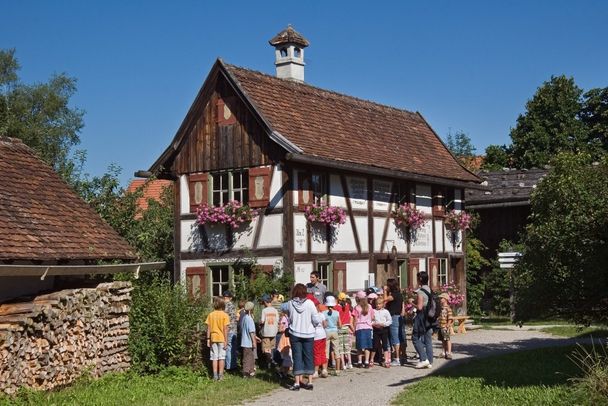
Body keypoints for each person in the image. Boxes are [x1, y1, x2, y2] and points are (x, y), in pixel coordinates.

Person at [281, 283, 320, 391]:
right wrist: (314, 325)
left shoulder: (290, 304)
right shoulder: (310, 303)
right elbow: (316, 319)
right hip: (308, 334)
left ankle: (297, 383)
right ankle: (310, 382)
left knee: (297, 357)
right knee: (308, 356)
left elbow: (281, 307)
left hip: (295, 333)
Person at [205, 297, 230, 380]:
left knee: (214, 357)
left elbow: (208, 328)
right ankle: (221, 375)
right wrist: (226, 340)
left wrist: (208, 339)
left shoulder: (210, 315)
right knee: (221, 357)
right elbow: (225, 329)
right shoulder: (225, 315)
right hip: (221, 338)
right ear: (223, 305)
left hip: (213, 338)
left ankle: (215, 375)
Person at [412, 271, 434, 369]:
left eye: (417, 278)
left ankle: (423, 359)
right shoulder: (429, 289)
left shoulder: (421, 291)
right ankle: (429, 361)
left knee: (415, 337)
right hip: (430, 316)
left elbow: (420, 307)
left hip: (422, 316)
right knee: (428, 339)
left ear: (420, 279)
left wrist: (412, 303)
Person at [383, 278, 404, 366]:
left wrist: (384, 291)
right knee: (395, 336)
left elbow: (385, 299)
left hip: (394, 317)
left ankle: (397, 358)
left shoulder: (395, 295)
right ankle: (394, 356)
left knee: (395, 337)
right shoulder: (398, 294)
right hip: (397, 316)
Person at [352, 290, 374, 368]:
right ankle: (367, 361)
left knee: (359, 346)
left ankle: (359, 361)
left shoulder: (356, 307)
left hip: (359, 327)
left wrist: (354, 329)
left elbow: (355, 319)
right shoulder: (370, 306)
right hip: (368, 327)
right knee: (367, 346)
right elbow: (372, 317)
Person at [370, 296, 392, 368]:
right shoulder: (373, 311)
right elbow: (371, 320)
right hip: (376, 330)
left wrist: (384, 324)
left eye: (379, 304)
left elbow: (389, 321)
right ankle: (371, 359)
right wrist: (373, 324)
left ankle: (386, 360)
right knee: (375, 345)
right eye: (377, 304)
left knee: (385, 345)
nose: (378, 305)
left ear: (383, 304)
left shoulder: (386, 311)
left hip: (384, 329)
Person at [322, 295, 341, 374]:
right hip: (335, 331)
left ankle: (325, 370)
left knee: (326, 351)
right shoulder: (337, 313)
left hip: (327, 332)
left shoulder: (323, 313)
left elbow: (324, 324)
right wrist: (338, 327)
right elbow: (340, 324)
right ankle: (337, 370)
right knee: (336, 350)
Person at [240, 301, 260, 377]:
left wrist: (256, 337)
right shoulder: (250, 319)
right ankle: (246, 372)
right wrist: (254, 341)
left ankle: (251, 371)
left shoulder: (244, 318)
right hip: (248, 342)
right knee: (248, 358)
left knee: (250, 357)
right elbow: (251, 332)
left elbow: (244, 329)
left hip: (244, 341)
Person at [260, 293, 279, 369]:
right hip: (274, 331)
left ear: (265, 302)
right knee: (271, 348)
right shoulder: (275, 310)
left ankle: (269, 362)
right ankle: (272, 362)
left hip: (266, 332)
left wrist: (259, 322)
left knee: (266, 349)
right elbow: (277, 320)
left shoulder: (264, 310)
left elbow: (262, 321)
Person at [336, 292, 353, 370]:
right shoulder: (347, 306)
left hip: (340, 328)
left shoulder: (337, 307)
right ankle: (350, 363)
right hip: (346, 327)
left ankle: (343, 365)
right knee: (347, 347)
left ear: (338, 300)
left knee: (341, 348)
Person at [222, 290, 238, 372]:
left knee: (228, 348)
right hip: (234, 329)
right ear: (230, 298)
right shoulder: (233, 306)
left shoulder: (223, 307)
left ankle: (228, 366)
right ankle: (234, 365)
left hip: (227, 329)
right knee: (233, 348)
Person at [438, 293, 454, 360]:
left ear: (445, 299)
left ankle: (449, 352)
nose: (440, 299)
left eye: (441, 298)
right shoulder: (441, 308)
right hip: (440, 326)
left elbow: (450, 318)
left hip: (445, 326)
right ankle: (444, 352)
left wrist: (448, 325)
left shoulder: (448, 308)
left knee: (447, 339)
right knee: (442, 340)